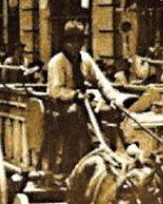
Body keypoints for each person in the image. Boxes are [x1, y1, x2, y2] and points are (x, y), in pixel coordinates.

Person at [47, 21, 127, 173]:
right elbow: (55, 91)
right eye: (72, 42)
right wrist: (75, 95)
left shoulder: (85, 59)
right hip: (62, 107)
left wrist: (113, 99)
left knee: (109, 111)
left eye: (79, 41)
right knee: (75, 113)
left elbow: (100, 81)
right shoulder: (57, 62)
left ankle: (111, 147)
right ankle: (78, 156)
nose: (76, 45)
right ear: (65, 43)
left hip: (84, 103)